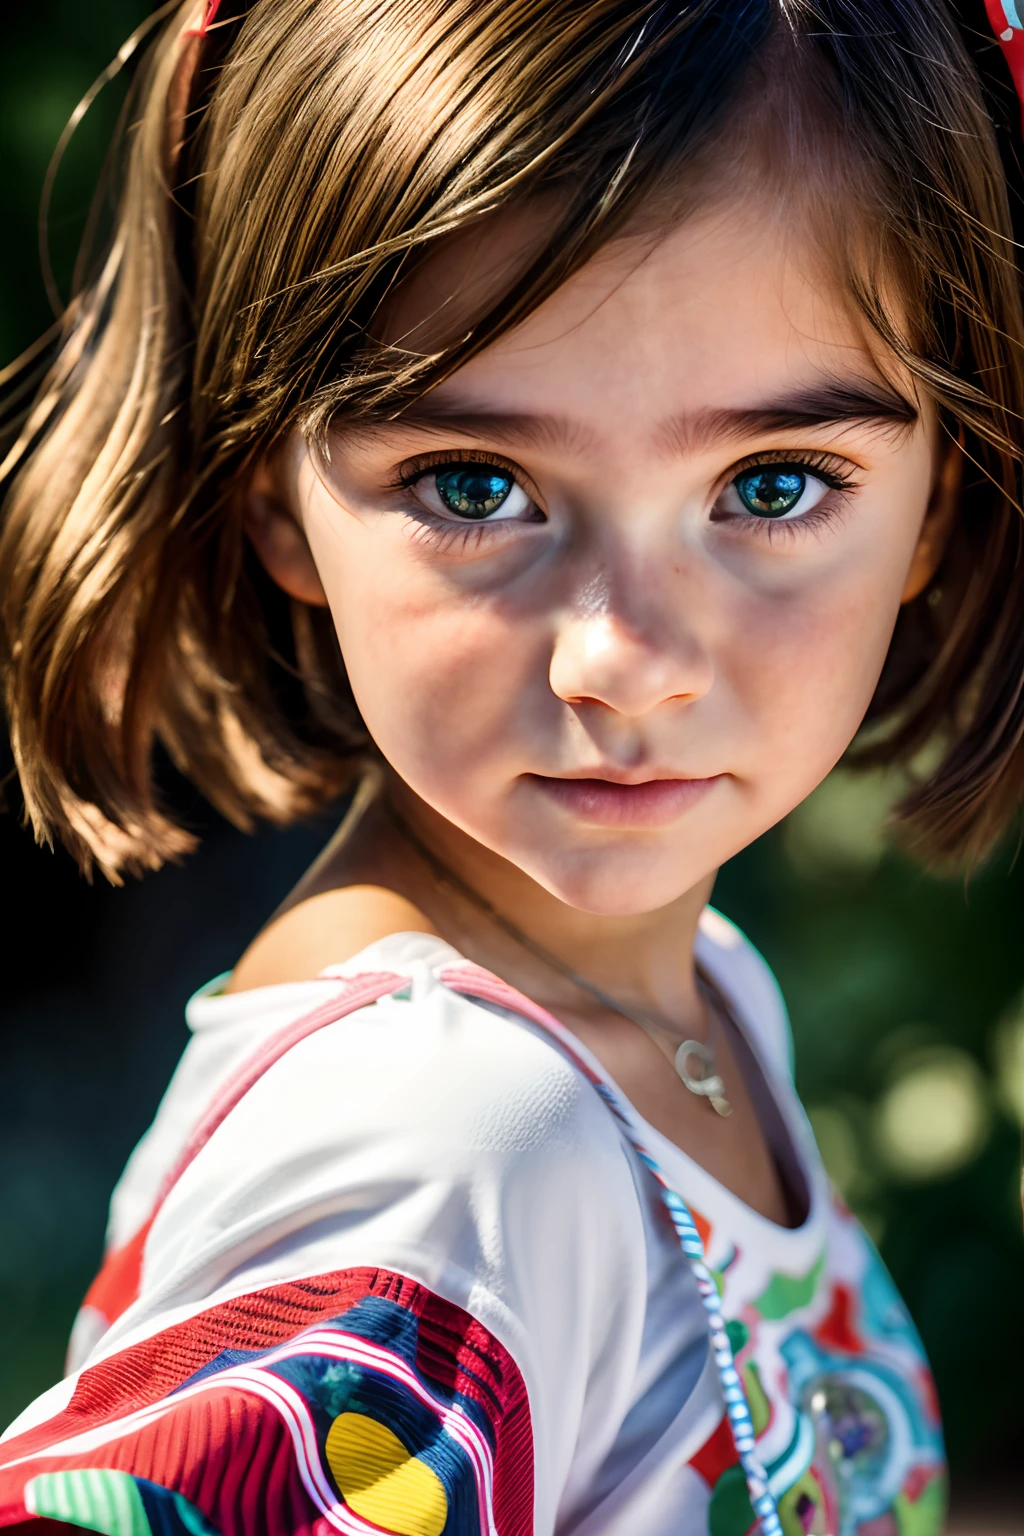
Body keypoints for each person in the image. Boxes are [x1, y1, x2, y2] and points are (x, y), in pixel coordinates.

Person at [2, 0, 1024, 1531]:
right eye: (475, 484)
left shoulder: (692, 992)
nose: (622, 658)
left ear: (940, 497)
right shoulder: (449, 1152)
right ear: (271, 487)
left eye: (774, 483)